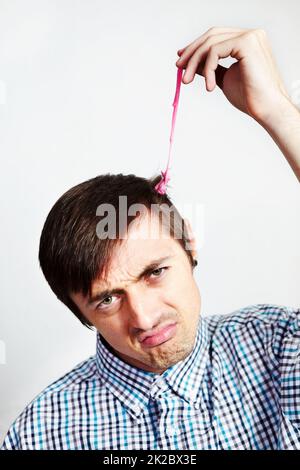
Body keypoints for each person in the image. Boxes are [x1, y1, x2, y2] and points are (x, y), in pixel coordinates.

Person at [1, 27, 300, 450]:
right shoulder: (39, 433)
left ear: (189, 245)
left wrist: (278, 112)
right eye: (107, 299)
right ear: (79, 311)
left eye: (155, 272)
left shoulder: (279, 348)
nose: (142, 318)